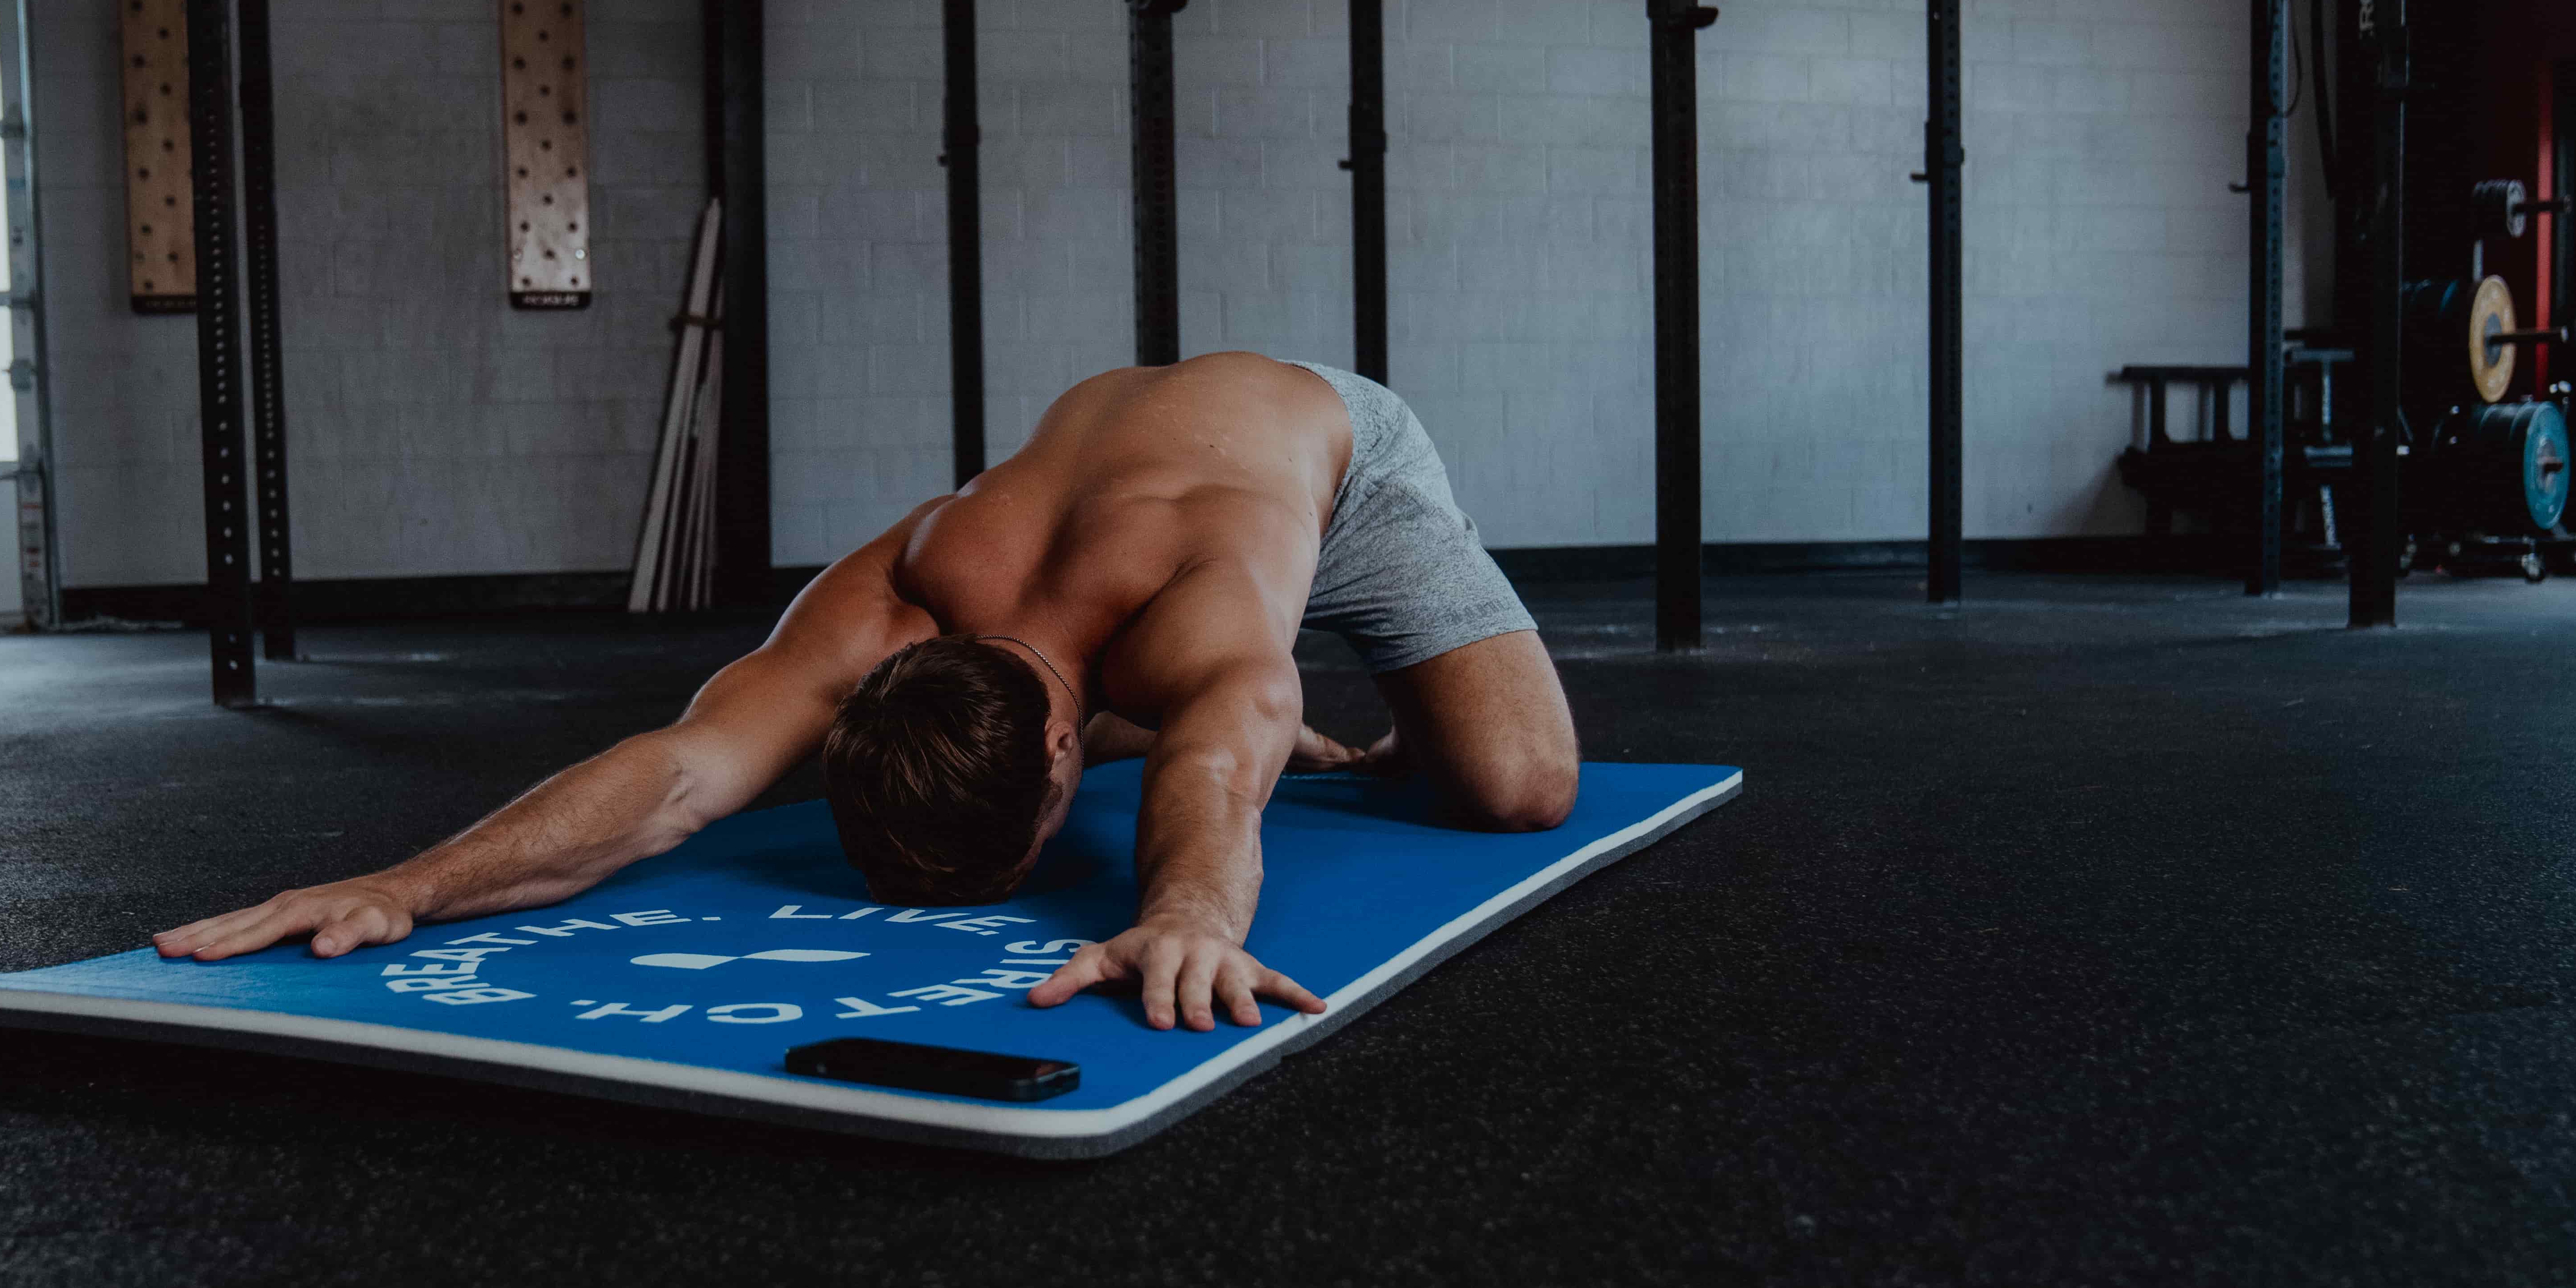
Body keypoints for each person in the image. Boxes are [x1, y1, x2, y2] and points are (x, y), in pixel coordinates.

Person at [151, 353, 1579, 1033]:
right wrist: (413, 883)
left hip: (1327, 454)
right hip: (1131, 515)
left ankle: (1387, 718)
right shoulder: (890, 590)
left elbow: (1217, 769)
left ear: (1070, 749)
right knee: (1216, 711)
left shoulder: (1197, 618)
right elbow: (680, 771)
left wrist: (1186, 920)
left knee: (1514, 788)